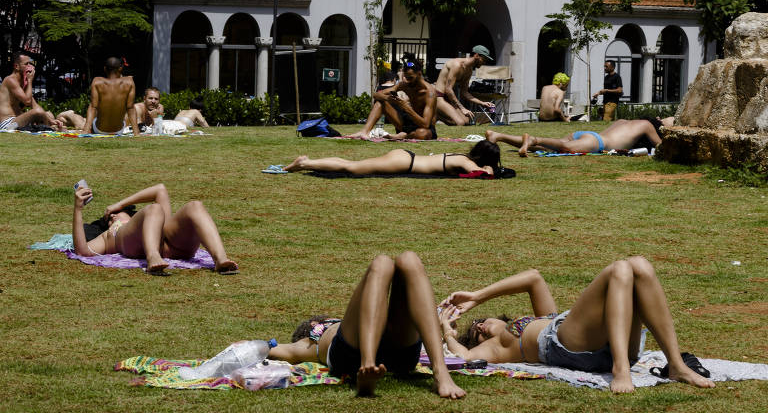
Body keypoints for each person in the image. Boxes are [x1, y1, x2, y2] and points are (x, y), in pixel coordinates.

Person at [437, 256, 716, 393]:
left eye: (481, 322)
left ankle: (676, 365)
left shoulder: (541, 317)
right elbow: (465, 356)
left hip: (595, 339)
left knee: (640, 265)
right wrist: (448, 331)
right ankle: (620, 369)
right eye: (476, 333)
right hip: (565, 345)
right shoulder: (498, 348)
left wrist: (476, 297)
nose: (481, 328)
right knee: (620, 268)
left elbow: (532, 278)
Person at [268, 252, 466, 399]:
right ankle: (438, 373)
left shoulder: (319, 342)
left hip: (378, 353)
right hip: (386, 356)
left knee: (404, 260)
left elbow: (271, 349)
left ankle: (369, 366)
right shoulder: (311, 339)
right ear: (314, 324)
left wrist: (252, 346)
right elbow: (276, 350)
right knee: (389, 262)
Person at [72, 183, 238, 275]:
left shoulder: (151, 219)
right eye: (109, 218)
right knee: (155, 209)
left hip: (172, 246)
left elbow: (160, 189)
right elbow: (82, 251)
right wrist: (78, 209)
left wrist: (120, 204)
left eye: (117, 214)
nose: (113, 216)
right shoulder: (110, 234)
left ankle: (220, 259)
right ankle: (153, 257)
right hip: (135, 245)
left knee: (195, 206)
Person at [284, 140, 502, 177]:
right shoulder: (467, 163)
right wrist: (488, 170)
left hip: (406, 157)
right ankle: (305, 163)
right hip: (404, 163)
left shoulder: (463, 156)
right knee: (351, 168)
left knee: (352, 165)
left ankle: (307, 162)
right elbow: (481, 174)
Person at [486, 117, 674, 157]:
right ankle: (533, 140)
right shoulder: (647, 126)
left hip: (588, 135)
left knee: (554, 146)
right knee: (561, 147)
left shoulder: (625, 121)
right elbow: (662, 148)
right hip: (597, 142)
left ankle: (498, 135)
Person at [347, 59, 438, 140]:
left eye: (410, 78)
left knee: (422, 133)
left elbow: (426, 124)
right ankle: (364, 131)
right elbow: (376, 95)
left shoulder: (429, 93)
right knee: (380, 102)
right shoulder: (404, 85)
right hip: (407, 123)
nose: (407, 81)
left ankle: (404, 136)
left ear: (419, 74)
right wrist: (389, 99)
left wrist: (406, 107)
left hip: (425, 128)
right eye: (406, 77)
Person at [433, 45, 495, 126]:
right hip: (438, 97)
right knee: (460, 123)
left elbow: (464, 92)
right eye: (484, 59)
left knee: (466, 121)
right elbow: (448, 89)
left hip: (449, 99)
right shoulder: (457, 65)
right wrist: (462, 108)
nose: (484, 62)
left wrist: (482, 103)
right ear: (476, 55)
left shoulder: (468, 70)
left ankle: (438, 115)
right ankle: (435, 113)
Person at [0, 51, 63, 130]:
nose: (30, 66)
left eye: (30, 63)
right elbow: (27, 102)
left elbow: (34, 104)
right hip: (7, 124)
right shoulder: (10, 80)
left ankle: (50, 127)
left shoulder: (22, 82)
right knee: (37, 112)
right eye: (26, 64)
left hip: (17, 120)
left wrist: (51, 120)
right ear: (16, 66)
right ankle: (50, 129)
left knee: (48, 114)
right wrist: (30, 81)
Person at [83, 57, 140, 135]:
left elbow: (93, 108)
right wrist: (136, 133)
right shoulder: (129, 82)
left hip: (99, 130)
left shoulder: (97, 81)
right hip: (119, 130)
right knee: (130, 107)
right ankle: (136, 131)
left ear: (105, 69)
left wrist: (85, 130)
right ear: (120, 69)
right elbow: (130, 108)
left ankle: (86, 129)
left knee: (93, 104)